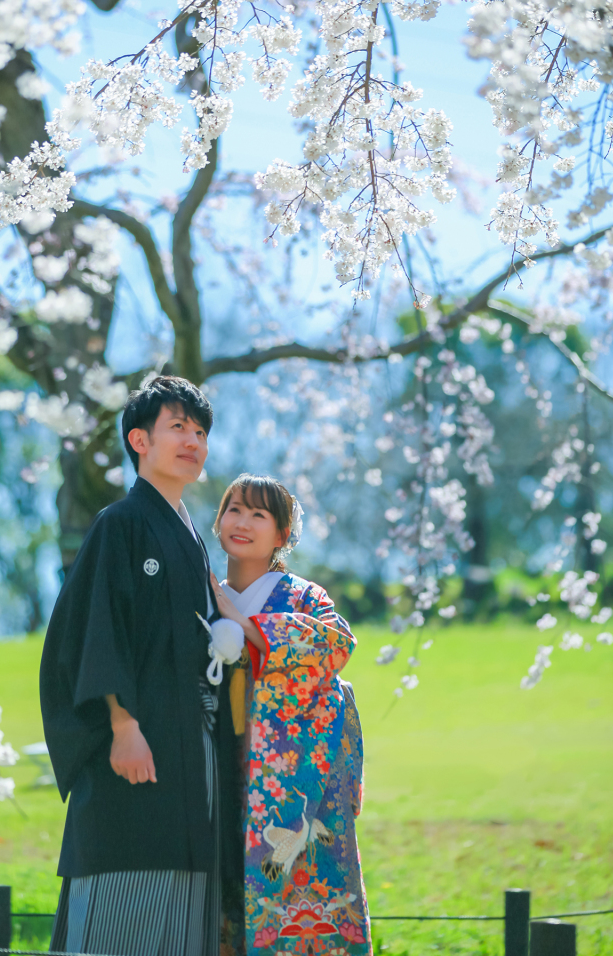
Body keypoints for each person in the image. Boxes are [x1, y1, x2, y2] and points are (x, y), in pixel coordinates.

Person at [40, 376, 242, 956]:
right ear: (140, 440)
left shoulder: (191, 537)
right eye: (178, 427)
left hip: (191, 748)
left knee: (186, 904)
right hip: (135, 740)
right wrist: (121, 723)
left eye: (200, 432)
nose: (193, 442)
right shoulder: (121, 523)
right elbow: (97, 629)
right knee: (124, 895)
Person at [211, 474, 372, 956]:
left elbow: (336, 642)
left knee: (298, 901)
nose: (242, 522)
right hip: (217, 769)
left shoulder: (304, 598)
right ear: (218, 521)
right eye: (234, 510)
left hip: (295, 781)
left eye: (258, 514)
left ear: (282, 534)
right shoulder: (205, 593)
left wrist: (247, 627)